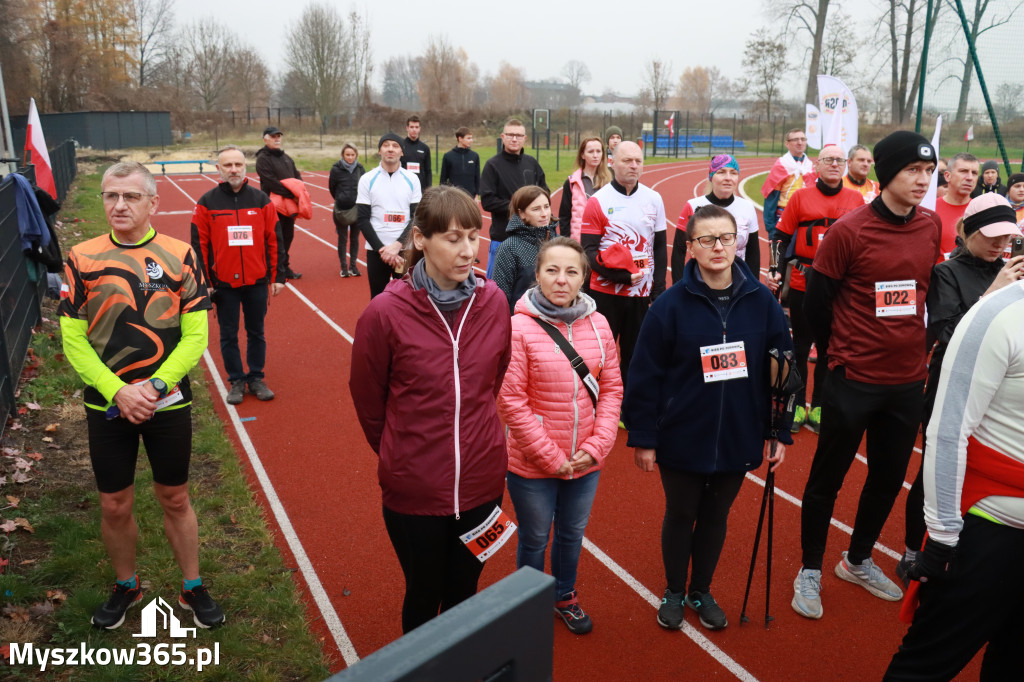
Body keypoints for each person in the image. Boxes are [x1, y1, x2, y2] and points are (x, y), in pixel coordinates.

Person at [60, 162, 223, 630]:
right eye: (111, 196)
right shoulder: (81, 257)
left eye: (131, 197)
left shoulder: (180, 255)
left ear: (153, 203)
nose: (119, 205)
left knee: (175, 497)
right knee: (115, 503)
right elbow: (74, 340)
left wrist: (152, 387)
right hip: (105, 404)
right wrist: (117, 390)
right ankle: (126, 585)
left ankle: (192, 587)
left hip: (166, 402)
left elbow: (195, 336)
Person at [792, 131, 941, 620]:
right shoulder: (850, 231)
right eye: (912, 171)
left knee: (887, 478)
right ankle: (810, 568)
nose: (922, 180)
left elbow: (920, 294)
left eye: (927, 171)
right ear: (885, 173)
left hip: (905, 381)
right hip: (852, 377)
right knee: (826, 479)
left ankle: (856, 559)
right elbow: (817, 302)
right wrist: (840, 356)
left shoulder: (931, 226)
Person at [350, 185, 512, 634]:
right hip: (415, 489)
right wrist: (401, 449)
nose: (467, 250)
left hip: (481, 481)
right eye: (453, 238)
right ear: (420, 239)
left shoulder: (494, 302)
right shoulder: (384, 313)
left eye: (473, 237)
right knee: (424, 591)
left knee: (463, 591)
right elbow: (368, 400)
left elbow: (492, 379)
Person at [624, 205, 792, 632]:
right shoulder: (668, 306)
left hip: (739, 432)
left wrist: (778, 432)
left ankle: (702, 589)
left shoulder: (763, 303)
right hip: (682, 434)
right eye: (706, 240)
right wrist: (644, 436)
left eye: (726, 238)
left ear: (738, 243)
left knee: (716, 517)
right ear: (690, 248)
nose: (718, 247)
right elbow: (644, 375)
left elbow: (786, 368)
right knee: (681, 515)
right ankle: (675, 591)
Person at [884, 278, 1024, 682]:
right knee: (925, 667)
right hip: (988, 532)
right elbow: (947, 431)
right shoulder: (997, 317)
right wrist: (944, 538)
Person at [897, 193, 1024, 586]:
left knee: (978, 463)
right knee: (936, 465)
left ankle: (967, 540)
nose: (1001, 246)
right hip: (950, 384)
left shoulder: (1008, 270)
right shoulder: (946, 273)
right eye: (992, 237)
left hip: (997, 391)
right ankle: (913, 549)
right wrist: (991, 296)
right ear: (967, 232)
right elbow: (944, 334)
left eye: (1007, 239)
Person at [498, 237, 623, 635]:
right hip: (533, 464)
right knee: (535, 538)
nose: (561, 279)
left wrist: (597, 446)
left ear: (584, 278)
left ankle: (565, 595)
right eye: (552, 270)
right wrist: (552, 458)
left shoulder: (599, 324)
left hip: (586, 462)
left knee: (571, 534)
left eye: (571, 271)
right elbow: (511, 400)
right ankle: (528, 602)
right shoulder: (518, 327)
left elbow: (613, 389)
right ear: (537, 275)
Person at [771, 145, 864, 433]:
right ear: (818, 165)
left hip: (839, 286)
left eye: (839, 160)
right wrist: (775, 268)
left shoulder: (856, 198)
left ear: (845, 165)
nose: (834, 164)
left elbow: (864, 242)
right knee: (799, 344)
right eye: (828, 160)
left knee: (830, 348)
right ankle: (797, 404)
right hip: (802, 281)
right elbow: (780, 236)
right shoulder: (800, 197)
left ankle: (821, 405)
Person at [191, 146, 284, 405]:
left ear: (245, 167)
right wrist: (205, 283)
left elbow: (274, 239)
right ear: (219, 169)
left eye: (238, 165)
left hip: (256, 281)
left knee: (256, 332)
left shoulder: (261, 200)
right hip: (224, 284)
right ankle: (236, 380)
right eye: (227, 165)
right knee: (228, 335)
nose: (233, 169)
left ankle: (255, 377)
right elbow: (199, 245)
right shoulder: (206, 203)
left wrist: (278, 276)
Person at [581, 141, 667, 396]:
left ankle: (628, 406)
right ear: (612, 162)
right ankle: (596, 402)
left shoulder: (654, 199)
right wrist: (621, 277)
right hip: (605, 293)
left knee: (635, 354)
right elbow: (588, 252)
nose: (633, 166)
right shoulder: (598, 201)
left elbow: (660, 247)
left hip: (640, 295)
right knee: (600, 354)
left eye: (638, 161)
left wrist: (658, 288)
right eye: (627, 160)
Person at [356, 133, 422, 298]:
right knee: (378, 298)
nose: (390, 149)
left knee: (408, 298)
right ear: (380, 151)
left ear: (402, 152)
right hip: (377, 251)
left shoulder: (412, 179)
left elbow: (416, 217)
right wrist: (382, 249)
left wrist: (397, 246)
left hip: (405, 250)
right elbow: (362, 219)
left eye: (395, 145)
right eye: (386, 145)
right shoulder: (367, 179)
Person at [480, 119, 547, 278]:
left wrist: (536, 207)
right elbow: (488, 201)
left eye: (518, 135)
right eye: (510, 135)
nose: (514, 139)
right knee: (496, 290)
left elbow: (544, 191)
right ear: (502, 137)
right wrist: (519, 208)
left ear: (525, 138)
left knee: (528, 288)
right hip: (502, 238)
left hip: (531, 239)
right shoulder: (492, 165)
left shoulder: (531, 163)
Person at [673, 155, 760, 276]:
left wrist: (753, 287)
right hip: (701, 280)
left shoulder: (747, 207)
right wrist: (679, 285)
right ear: (711, 176)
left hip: (739, 281)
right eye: (721, 172)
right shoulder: (692, 206)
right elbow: (679, 251)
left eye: (733, 173)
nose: (728, 178)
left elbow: (753, 253)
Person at [492, 185, 560, 312]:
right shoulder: (509, 248)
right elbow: (499, 299)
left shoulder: (560, 243)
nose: (544, 214)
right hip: (522, 324)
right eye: (536, 209)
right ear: (521, 214)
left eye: (546, 207)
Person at [255, 126, 303, 279]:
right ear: (265, 139)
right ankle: (271, 270)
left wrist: (299, 192)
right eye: (273, 136)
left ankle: (284, 267)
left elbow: (297, 177)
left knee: (288, 236)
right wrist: (291, 193)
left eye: (278, 136)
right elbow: (270, 182)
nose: (277, 139)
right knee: (275, 238)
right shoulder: (263, 159)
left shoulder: (286, 158)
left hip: (289, 206)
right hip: (272, 206)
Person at [760, 129, 814, 240]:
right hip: (784, 217)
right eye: (795, 139)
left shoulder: (810, 166)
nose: (800, 142)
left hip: (806, 218)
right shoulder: (781, 165)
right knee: (780, 255)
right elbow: (771, 198)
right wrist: (771, 229)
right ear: (787, 144)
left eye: (803, 139)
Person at [558, 137, 611, 242]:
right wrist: (567, 242)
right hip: (578, 242)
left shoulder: (608, 183)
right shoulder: (572, 182)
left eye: (598, 151)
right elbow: (564, 217)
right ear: (583, 155)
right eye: (591, 151)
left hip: (602, 241)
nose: (595, 155)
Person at [329, 143, 366, 277]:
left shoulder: (360, 169)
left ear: (356, 155)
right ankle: (343, 267)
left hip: (357, 209)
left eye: (352, 155)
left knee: (355, 239)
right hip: (341, 211)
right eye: (347, 155)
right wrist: (341, 198)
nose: (350, 157)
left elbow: (364, 187)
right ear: (342, 155)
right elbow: (332, 188)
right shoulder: (336, 169)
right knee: (343, 239)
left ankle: (353, 266)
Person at [934, 152, 979, 260]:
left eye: (974, 173)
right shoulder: (930, 209)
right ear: (947, 176)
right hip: (937, 275)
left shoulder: (981, 211)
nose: (969, 178)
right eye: (963, 171)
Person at [439, 126, 480, 198]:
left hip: (470, 196)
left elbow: (477, 177)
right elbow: (443, 179)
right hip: (453, 197)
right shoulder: (448, 156)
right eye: (468, 138)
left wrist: (476, 196)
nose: (471, 140)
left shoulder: (475, 156)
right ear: (460, 138)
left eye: (471, 138)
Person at [401, 115, 432, 191]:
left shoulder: (425, 148)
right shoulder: (400, 146)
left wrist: (428, 189)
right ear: (407, 128)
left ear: (419, 129)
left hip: (420, 188)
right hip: (403, 187)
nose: (414, 129)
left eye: (416, 127)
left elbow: (428, 171)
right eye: (411, 127)